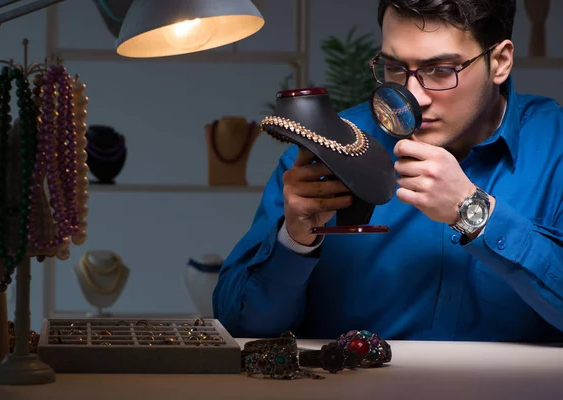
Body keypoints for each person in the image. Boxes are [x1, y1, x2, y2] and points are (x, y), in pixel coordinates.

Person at [212, 0, 563, 342]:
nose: (412, 98)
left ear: (500, 61)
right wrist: (295, 240)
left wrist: (475, 213)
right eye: (395, 69)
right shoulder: (331, 146)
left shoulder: (555, 148)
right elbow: (240, 327)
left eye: (440, 71)